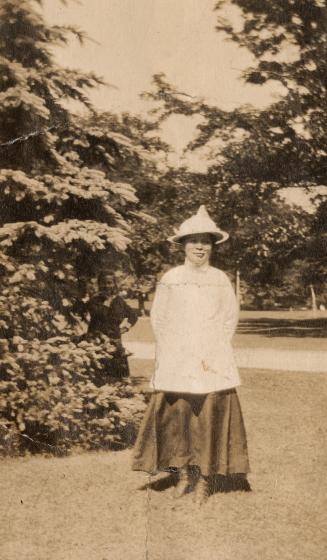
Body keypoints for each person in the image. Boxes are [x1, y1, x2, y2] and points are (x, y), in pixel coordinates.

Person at [132, 206, 250, 505]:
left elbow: (229, 319)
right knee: (179, 419)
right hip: (178, 361)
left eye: (206, 241)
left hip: (212, 361)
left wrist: (212, 349)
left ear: (213, 246)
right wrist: (175, 350)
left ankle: (206, 481)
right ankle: (184, 474)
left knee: (209, 419)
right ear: (183, 245)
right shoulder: (171, 278)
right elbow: (159, 319)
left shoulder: (220, 279)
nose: (200, 246)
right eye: (194, 240)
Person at [87, 272, 138, 380]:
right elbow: (99, 315)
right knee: (100, 375)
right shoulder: (94, 300)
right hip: (97, 340)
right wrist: (107, 301)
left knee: (119, 376)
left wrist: (126, 327)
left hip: (115, 340)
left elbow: (133, 315)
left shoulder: (119, 301)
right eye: (103, 283)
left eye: (110, 283)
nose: (107, 286)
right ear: (99, 284)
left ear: (114, 284)